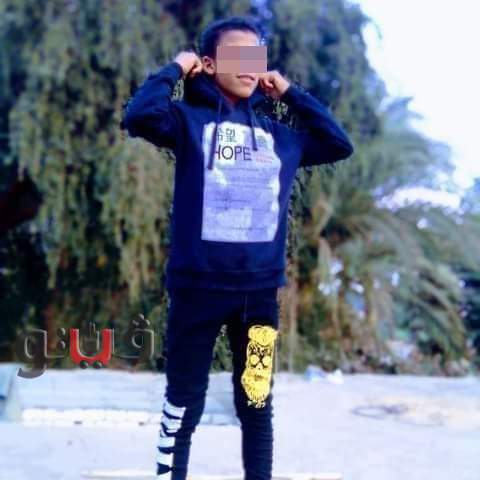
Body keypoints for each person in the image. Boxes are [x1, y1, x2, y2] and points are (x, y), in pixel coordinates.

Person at [121, 15, 354, 480]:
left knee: (256, 401)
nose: (249, 67)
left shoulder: (280, 136)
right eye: (237, 56)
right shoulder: (187, 122)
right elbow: (138, 115)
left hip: (260, 299)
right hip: (196, 293)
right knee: (183, 403)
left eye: (256, 58)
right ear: (209, 64)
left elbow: (338, 143)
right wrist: (176, 66)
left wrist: (289, 92)